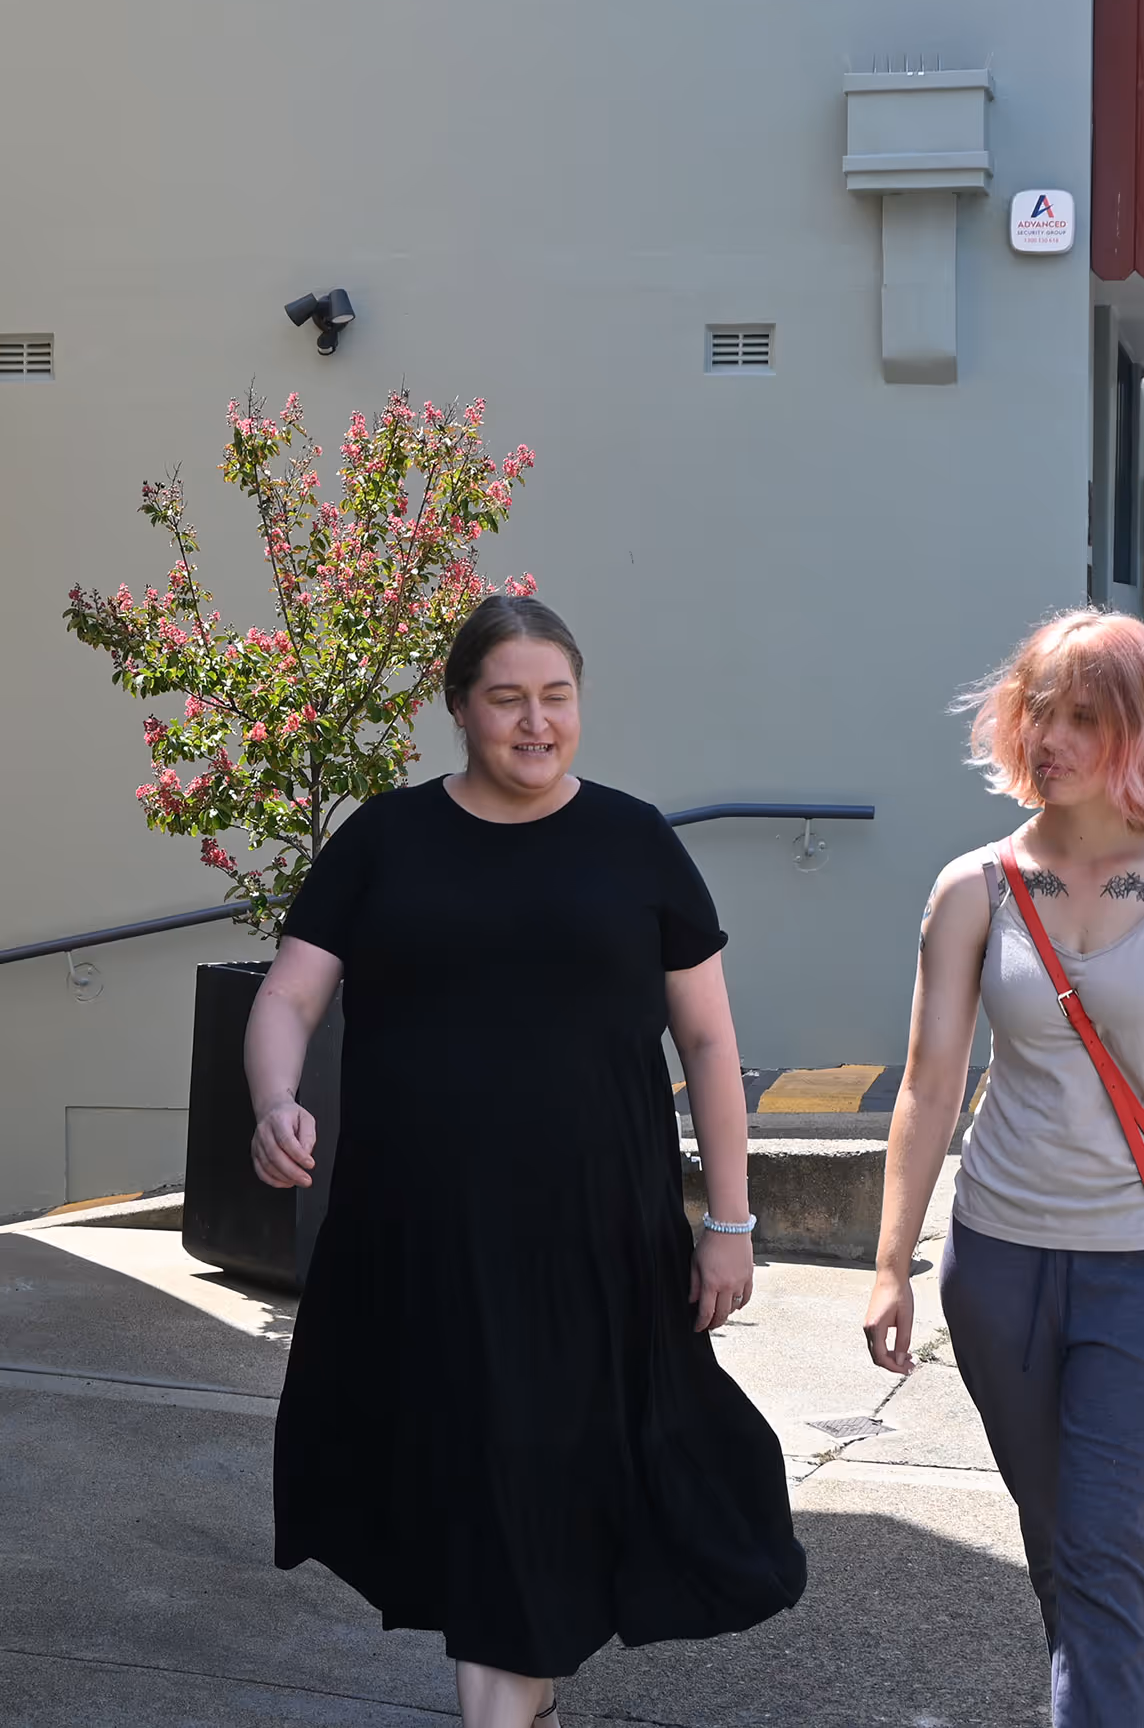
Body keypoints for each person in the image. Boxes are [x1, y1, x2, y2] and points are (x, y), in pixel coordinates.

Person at [246, 594, 805, 1728]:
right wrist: (271, 1099)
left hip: (597, 1237)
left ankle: (514, 1704)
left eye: (557, 696)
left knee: (554, 1473)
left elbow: (707, 1038)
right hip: (421, 1238)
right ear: (460, 707)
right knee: (481, 1479)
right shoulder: (387, 838)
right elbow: (290, 995)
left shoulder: (635, 840)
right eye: (508, 697)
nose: (536, 721)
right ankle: (512, 1709)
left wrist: (730, 1221)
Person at [864, 609, 1144, 1727]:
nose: (1049, 734)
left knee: (1102, 1555)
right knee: (1064, 1552)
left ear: (1136, 730)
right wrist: (893, 1260)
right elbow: (926, 1086)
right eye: (1038, 707)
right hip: (997, 1264)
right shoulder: (972, 887)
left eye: (1082, 714)